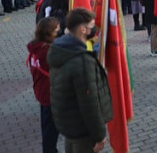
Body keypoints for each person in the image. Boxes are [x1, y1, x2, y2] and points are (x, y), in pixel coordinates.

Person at [47, 8, 112, 153]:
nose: (93, 29)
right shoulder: (82, 61)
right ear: (83, 29)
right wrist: (100, 135)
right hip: (83, 130)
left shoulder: (61, 50)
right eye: (91, 26)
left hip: (70, 127)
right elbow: (89, 103)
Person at [27, 17, 61, 153]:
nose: (59, 32)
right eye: (56, 30)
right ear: (49, 33)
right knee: (50, 129)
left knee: (47, 125)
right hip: (49, 92)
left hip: (42, 91)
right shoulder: (47, 52)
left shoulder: (36, 48)